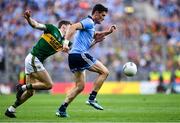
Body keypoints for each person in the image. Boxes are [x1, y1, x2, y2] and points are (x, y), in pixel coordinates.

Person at [5, 10, 71, 118]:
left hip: (33, 60)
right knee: (49, 85)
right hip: (34, 58)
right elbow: (36, 25)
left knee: (30, 93)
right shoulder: (51, 28)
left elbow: (77, 49)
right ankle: (22, 88)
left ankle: (10, 109)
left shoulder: (65, 42)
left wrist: (94, 41)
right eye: (70, 28)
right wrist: (28, 18)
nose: (71, 31)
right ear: (64, 27)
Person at [56, 4, 116, 117]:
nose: (103, 18)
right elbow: (72, 26)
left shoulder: (90, 26)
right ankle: (92, 98)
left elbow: (95, 35)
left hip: (73, 57)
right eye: (102, 15)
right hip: (79, 55)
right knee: (104, 72)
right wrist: (65, 42)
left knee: (80, 87)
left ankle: (62, 109)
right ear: (96, 13)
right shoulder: (88, 21)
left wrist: (108, 32)